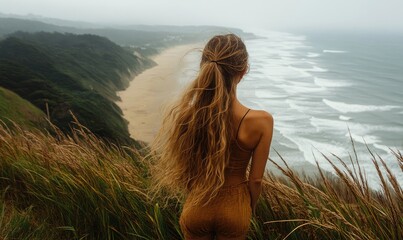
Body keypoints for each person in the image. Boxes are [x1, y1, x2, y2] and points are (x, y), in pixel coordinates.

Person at [150, 33, 273, 240]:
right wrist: (245, 209)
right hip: (235, 209)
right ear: (243, 71)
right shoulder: (261, 121)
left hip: (198, 204)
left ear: (203, 67)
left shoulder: (189, 115)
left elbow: (186, 170)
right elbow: (256, 180)